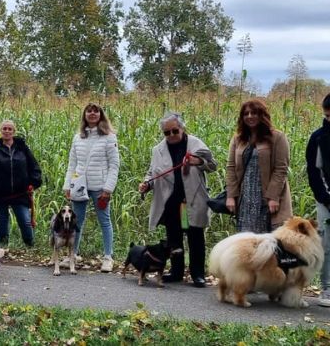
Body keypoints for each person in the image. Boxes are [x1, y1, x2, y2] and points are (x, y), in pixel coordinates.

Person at [138, 111, 217, 287]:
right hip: (170, 202)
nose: (172, 135)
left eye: (175, 131)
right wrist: (146, 184)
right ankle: (176, 272)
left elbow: (213, 166)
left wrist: (199, 162)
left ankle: (198, 274)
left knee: (196, 237)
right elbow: (152, 173)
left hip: (192, 199)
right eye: (167, 133)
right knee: (173, 238)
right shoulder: (157, 150)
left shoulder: (196, 144)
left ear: (182, 128)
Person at [64, 103, 120, 273]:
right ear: (84, 115)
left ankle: (108, 257)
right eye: (89, 111)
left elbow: (114, 165)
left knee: (104, 221)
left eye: (96, 111)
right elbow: (72, 164)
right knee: (76, 221)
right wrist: (68, 185)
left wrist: (108, 188)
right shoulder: (77, 137)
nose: (92, 113)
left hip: (100, 187)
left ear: (101, 115)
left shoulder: (109, 137)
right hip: (79, 186)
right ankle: (73, 254)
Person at [225, 99, 291, 233]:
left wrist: (273, 197)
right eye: (246, 113)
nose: (249, 116)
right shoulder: (238, 139)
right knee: (247, 241)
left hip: (267, 197)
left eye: (254, 113)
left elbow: (281, 169)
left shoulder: (277, 137)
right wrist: (231, 196)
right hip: (246, 198)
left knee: (269, 241)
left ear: (262, 115)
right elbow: (231, 167)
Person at [0, 119, 42, 247]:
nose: (7, 131)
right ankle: (3, 248)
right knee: (3, 224)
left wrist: (33, 183)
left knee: (25, 222)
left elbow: (34, 168)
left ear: (14, 131)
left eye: (10, 129)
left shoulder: (23, 150)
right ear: (0, 131)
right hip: (0, 195)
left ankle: (30, 246)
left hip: (20, 194)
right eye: (4, 129)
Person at [305, 92, 330, 307]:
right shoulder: (318, 138)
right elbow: (314, 173)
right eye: (328, 116)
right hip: (326, 200)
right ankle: (327, 289)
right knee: (326, 244)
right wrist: (325, 198)